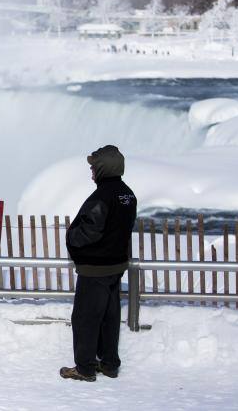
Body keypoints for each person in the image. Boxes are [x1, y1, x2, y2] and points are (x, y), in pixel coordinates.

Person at [60, 145, 137, 382]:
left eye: (93, 167)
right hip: (115, 265)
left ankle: (84, 367)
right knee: (109, 316)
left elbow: (89, 231)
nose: (91, 171)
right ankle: (109, 363)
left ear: (103, 168)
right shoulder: (128, 194)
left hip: (95, 267)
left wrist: (72, 237)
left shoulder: (102, 197)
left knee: (86, 317)